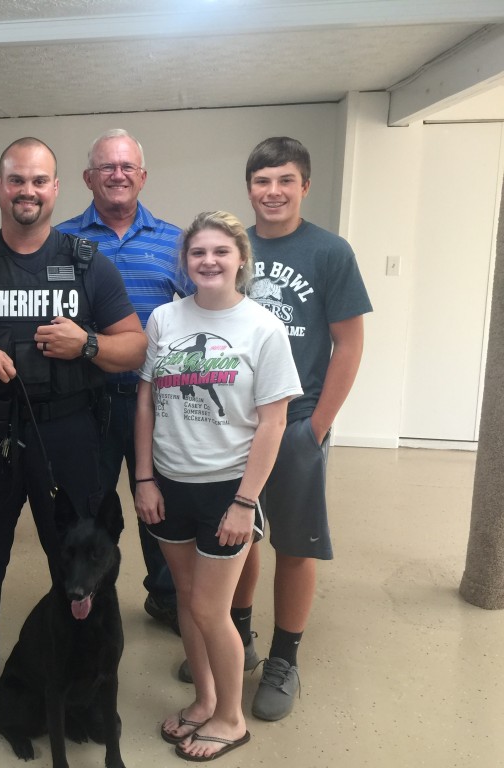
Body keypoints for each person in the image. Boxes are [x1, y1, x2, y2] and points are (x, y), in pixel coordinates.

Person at [0, 137, 147, 741]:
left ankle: (87, 688)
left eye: (39, 181)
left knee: (81, 566)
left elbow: (136, 346)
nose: (28, 191)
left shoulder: (90, 263)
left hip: (68, 430)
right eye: (16, 180)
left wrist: (87, 344)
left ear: (56, 188)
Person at [134, 211, 301, 761]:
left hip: (228, 488)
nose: (209, 261)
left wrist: (244, 503)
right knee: (186, 598)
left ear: (239, 261)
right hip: (170, 483)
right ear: (185, 261)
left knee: (211, 609)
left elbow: (273, 422)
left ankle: (232, 718)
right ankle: (205, 700)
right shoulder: (163, 319)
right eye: (199, 252)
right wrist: (143, 477)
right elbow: (146, 401)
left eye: (221, 252)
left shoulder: (263, 328)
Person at [236, 137, 372, 722]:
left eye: (285, 180)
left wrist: (317, 426)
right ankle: (238, 637)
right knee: (236, 538)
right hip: (235, 425)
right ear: (250, 188)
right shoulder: (233, 248)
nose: (273, 192)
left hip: (295, 424)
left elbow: (349, 342)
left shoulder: (330, 252)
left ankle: (285, 660)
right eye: (263, 181)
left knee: (294, 543)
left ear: (304, 186)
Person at [57, 128, 194, 635]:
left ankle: (164, 595)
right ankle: (88, 591)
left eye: (126, 167)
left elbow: (198, 316)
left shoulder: (175, 242)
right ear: (89, 177)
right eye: (106, 168)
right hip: (84, 400)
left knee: (155, 501)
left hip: (152, 400)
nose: (117, 175)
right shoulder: (64, 240)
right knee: (88, 504)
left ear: (142, 176)